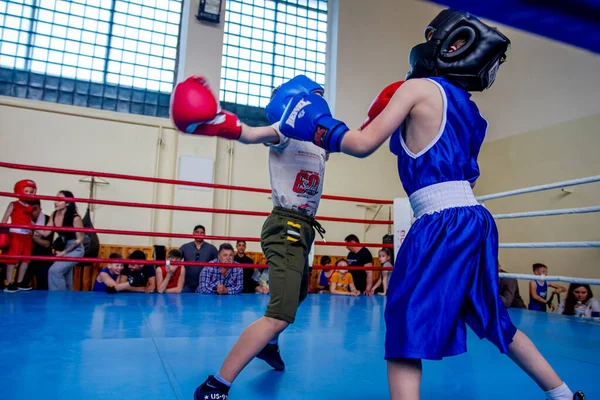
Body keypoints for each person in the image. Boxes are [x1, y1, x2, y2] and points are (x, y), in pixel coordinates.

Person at [269, 9, 585, 400]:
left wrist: (314, 123)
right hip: (474, 218)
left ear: (453, 44)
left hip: (440, 221)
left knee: (404, 325)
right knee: (493, 319)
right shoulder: (469, 109)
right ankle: (565, 395)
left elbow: (361, 144)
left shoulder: (415, 90)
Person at [170, 74, 327, 399]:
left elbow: (354, 140)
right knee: (280, 312)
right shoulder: (283, 132)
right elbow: (251, 134)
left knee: (297, 298)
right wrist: (219, 123)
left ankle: (268, 346)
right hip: (285, 227)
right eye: (312, 97)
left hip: (305, 229)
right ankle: (216, 384)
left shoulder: (322, 143)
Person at [38, 190, 85, 291]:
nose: (55, 202)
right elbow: (46, 232)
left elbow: (80, 239)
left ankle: (57, 300)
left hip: (76, 249)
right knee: (65, 274)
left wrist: (64, 252)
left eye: (59, 200)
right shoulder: (54, 214)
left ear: (68, 203)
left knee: (54, 271)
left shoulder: (75, 218)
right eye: (55, 199)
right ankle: (66, 301)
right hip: (64, 248)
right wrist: (29, 225)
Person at [1, 179, 37, 292]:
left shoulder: (30, 207)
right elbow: (5, 218)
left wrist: (34, 229)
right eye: (26, 191)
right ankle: (10, 283)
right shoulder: (13, 204)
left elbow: (28, 220)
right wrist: (3, 233)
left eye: (31, 192)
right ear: (19, 191)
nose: (29, 194)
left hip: (26, 236)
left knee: (26, 260)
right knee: (12, 261)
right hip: (15, 235)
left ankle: (20, 282)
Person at [179, 225, 218, 292]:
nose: (199, 234)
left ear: (205, 234)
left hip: (206, 286)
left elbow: (219, 263)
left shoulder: (211, 248)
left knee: (205, 302)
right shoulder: (185, 247)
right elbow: (174, 259)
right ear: (193, 233)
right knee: (185, 301)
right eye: (197, 232)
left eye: (202, 232)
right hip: (187, 285)